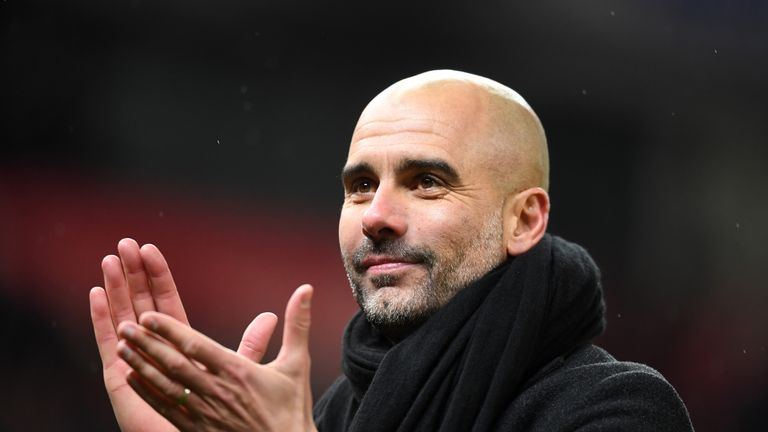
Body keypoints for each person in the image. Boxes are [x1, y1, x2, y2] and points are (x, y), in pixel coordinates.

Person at [89, 70, 694, 431]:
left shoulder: (616, 412)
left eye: (426, 181)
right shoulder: (333, 415)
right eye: (359, 187)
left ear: (524, 220)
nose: (376, 216)